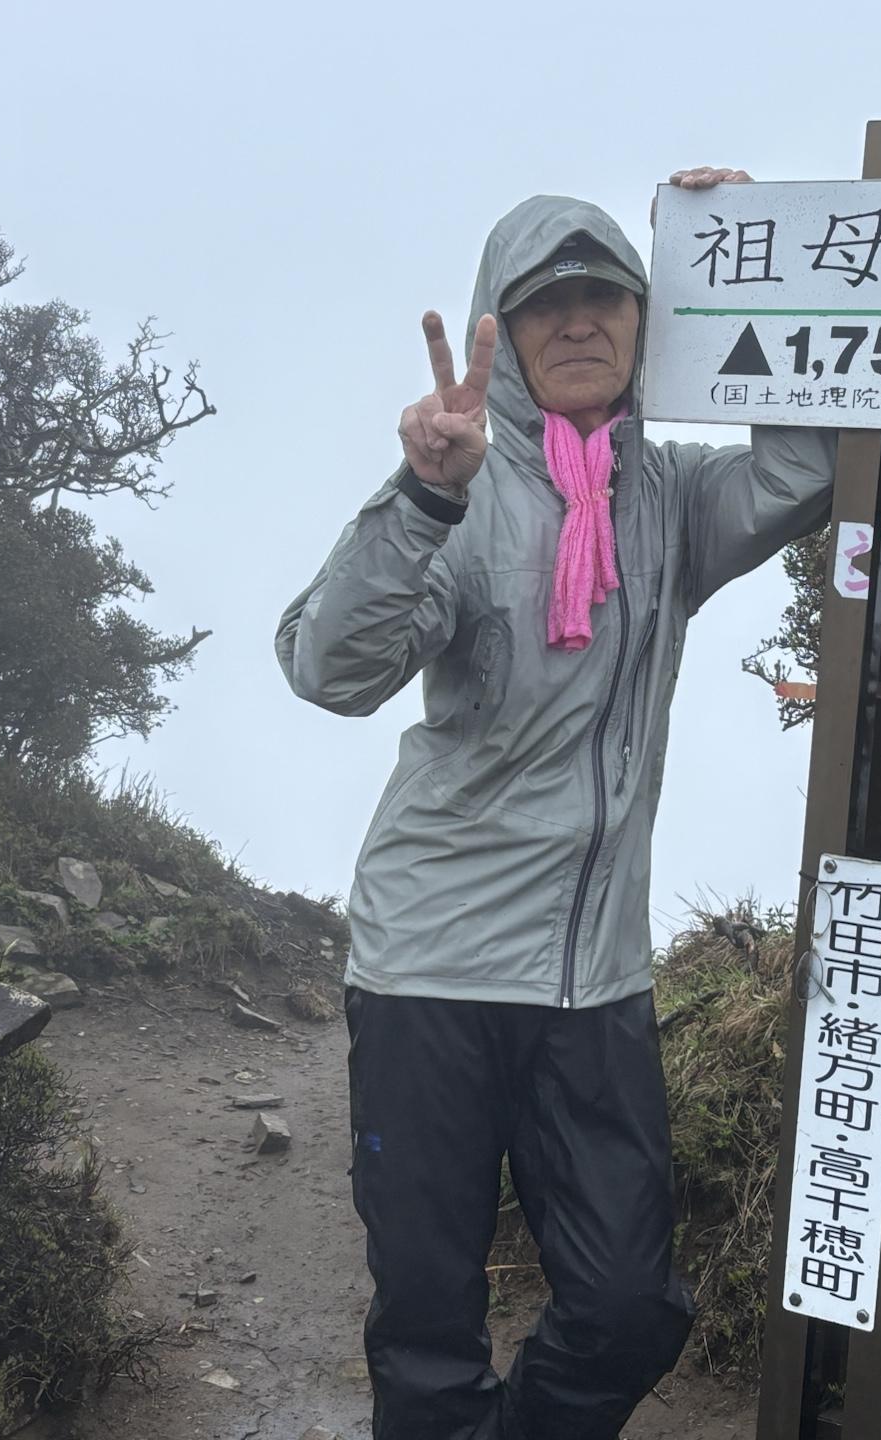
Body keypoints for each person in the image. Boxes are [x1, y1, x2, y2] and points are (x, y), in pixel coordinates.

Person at [277, 168, 837, 1440]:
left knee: (633, 1305)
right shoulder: (462, 500)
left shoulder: (673, 500)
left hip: (593, 984)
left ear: (650, 326)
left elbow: (804, 463)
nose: (579, 323)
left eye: (608, 299)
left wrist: (753, 258)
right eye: (545, 307)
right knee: (425, 1324)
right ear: (505, 332)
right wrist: (423, 495)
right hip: (431, 973)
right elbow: (330, 670)